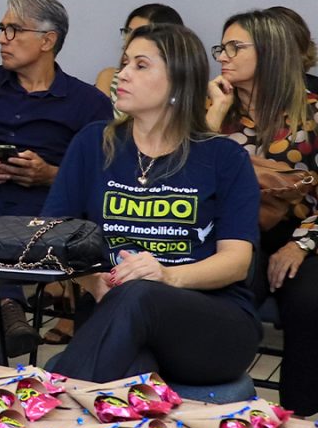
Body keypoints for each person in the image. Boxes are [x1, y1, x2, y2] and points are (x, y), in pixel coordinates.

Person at [44, 23, 260, 384]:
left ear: (178, 81)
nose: (123, 74)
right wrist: (94, 282)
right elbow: (55, 236)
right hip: (114, 311)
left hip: (211, 325)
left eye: (141, 65)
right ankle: (71, 403)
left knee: (140, 292)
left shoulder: (223, 157)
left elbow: (236, 263)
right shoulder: (93, 143)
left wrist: (167, 275)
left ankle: (50, 397)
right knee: (131, 375)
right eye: (125, 63)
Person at [0, 0, 111, 375]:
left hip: (45, 210)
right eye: (1, 29)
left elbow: (104, 177)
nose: (2, 39)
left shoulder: (87, 102)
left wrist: (50, 174)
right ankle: (9, 304)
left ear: (48, 40)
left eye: (14, 29)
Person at [205, 9, 318, 415]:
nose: (223, 56)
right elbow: (189, 181)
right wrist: (213, 119)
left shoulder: (311, 111)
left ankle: (298, 418)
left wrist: (300, 246)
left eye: (235, 47)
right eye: (221, 47)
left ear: (270, 51)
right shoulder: (212, 108)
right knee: (220, 301)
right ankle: (212, 404)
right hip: (232, 233)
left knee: (309, 303)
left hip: (302, 232)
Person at [94, 3, 184, 99]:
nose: (130, 39)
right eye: (128, 32)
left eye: (140, 33)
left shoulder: (186, 88)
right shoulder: (110, 77)